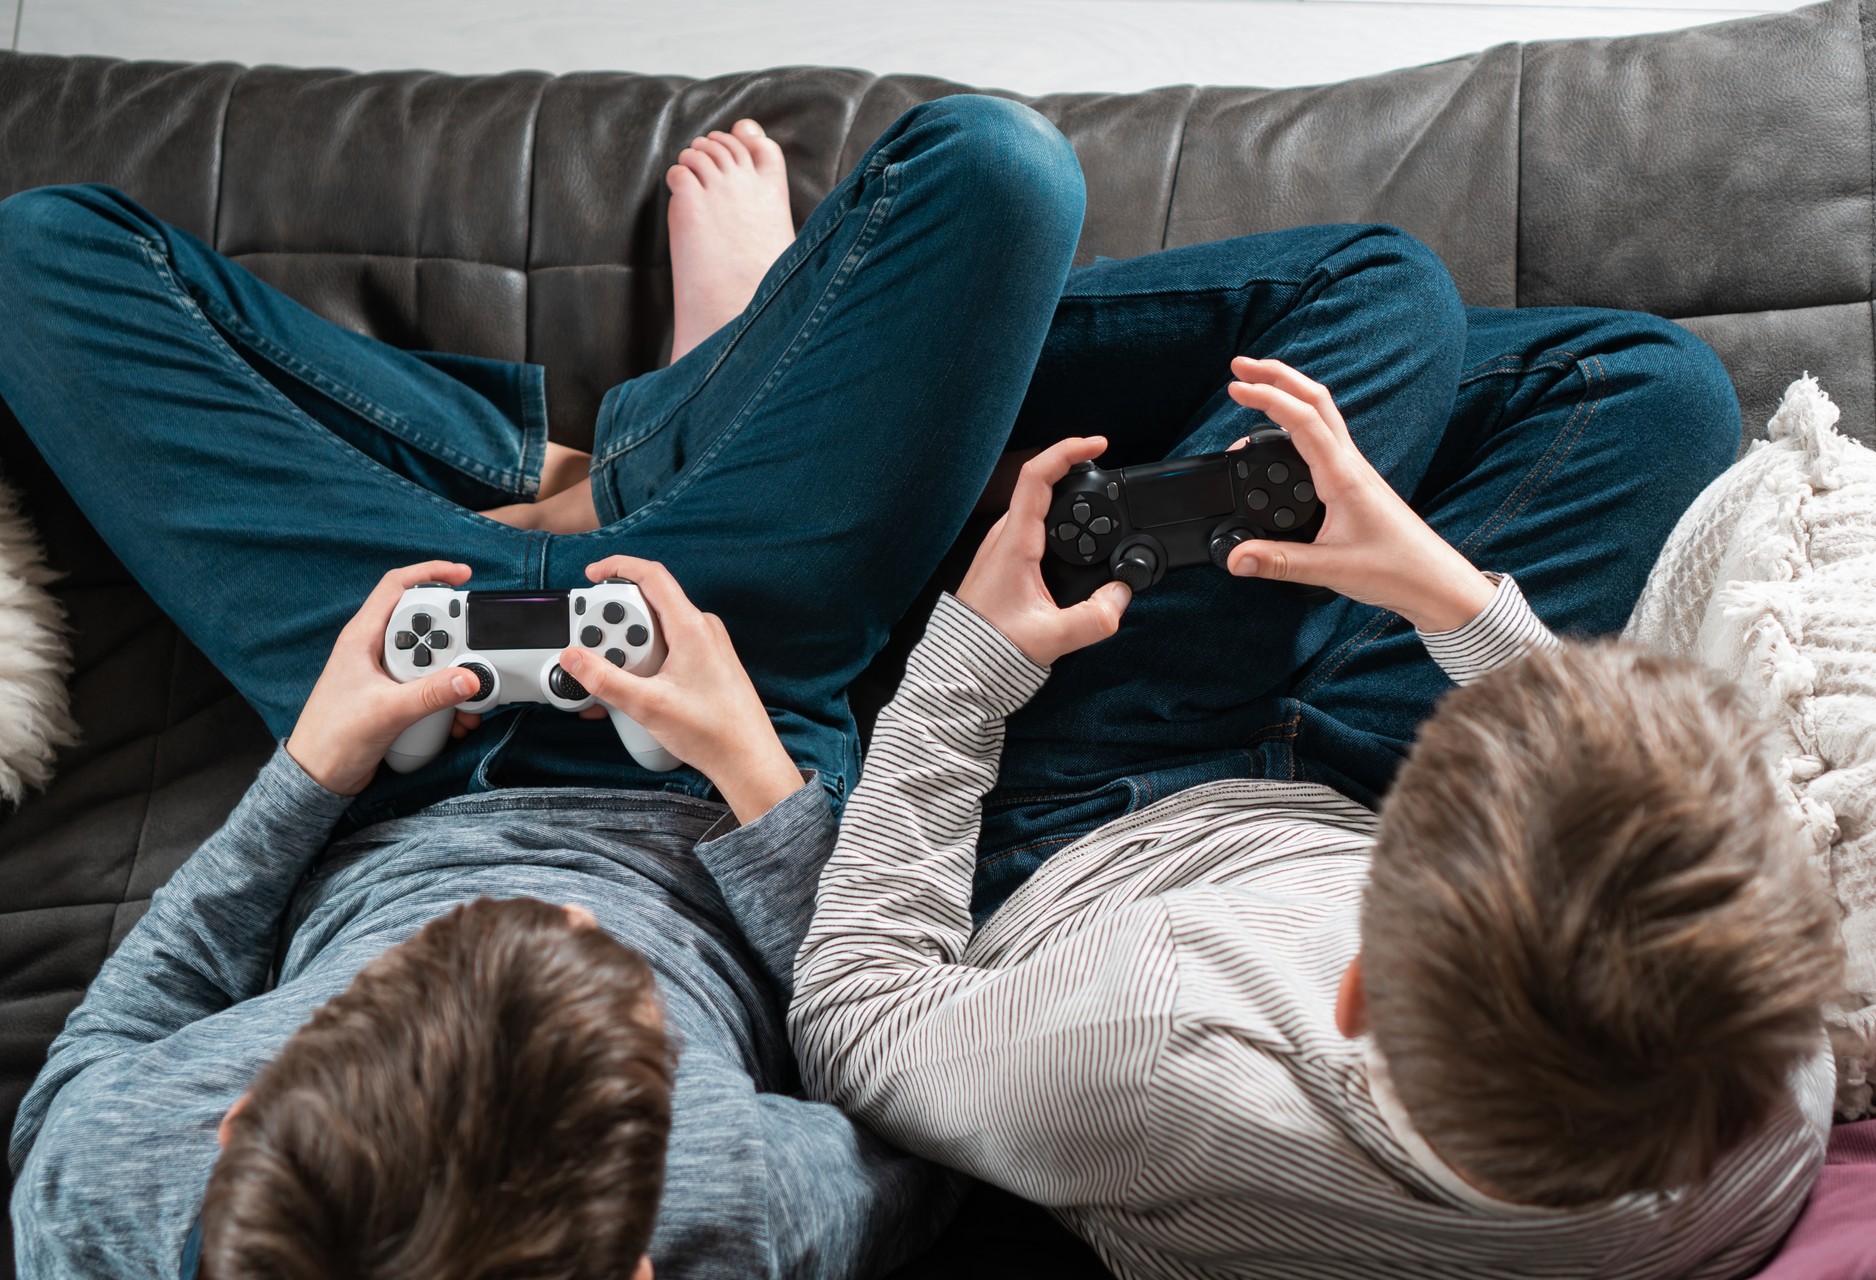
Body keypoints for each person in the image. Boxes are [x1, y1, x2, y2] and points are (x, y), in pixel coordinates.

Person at [1, 95, 1092, 1279]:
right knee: (1001, 168)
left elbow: (109, 1044)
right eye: (596, 963)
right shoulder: (733, 1216)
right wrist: (755, 771)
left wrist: (313, 766)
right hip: (711, 720)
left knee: (33, 256)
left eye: (404, 987)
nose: (532, 906)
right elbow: (919, 1101)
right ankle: (677, 419)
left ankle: (608, 462)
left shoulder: (107, 1202)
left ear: (234, 1130)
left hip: (381, 735)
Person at [786, 244, 1848, 1272]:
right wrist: (1435, 583)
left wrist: (966, 667)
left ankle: (817, 393)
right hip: (1358, 801)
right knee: (1656, 392)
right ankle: (987, 444)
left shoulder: (1158, 1047)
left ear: (1356, 995)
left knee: (1385, 294)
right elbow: (1603, 781)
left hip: (1086, 829)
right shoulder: (1761, 1076)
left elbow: (855, 1017)